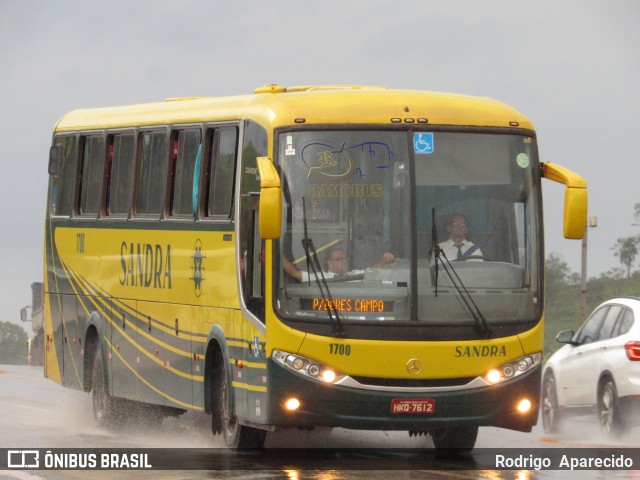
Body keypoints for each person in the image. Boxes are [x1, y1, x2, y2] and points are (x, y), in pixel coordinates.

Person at [283, 247, 395, 283]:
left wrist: (385, 260)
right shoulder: (320, 277)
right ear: (329, 263)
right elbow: (295, 273)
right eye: (339, 259)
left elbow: (372, 271)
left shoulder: (355, 275)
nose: (344, 261)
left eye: (345, 258)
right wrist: (274, 251)